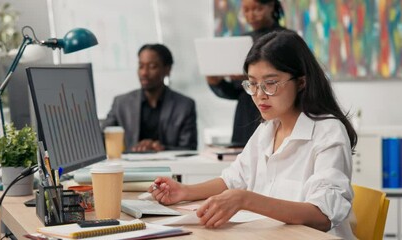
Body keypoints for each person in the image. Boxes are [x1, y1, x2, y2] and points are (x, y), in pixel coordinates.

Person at [149, 30, 358, 239]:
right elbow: (233, 180)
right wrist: (184, 191)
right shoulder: (268, 128)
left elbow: (321, 215)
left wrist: (246, 199)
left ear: (301, 82)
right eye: (253, 84)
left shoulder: (328, 131)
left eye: (270, 84)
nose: (259, 95)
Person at [207, 0, 286, 146]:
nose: (251, 15)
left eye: (257, 9)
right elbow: (236, 92)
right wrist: (217, 83)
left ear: (271, 6)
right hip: (245, 116)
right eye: (246, 10)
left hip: (275, 111)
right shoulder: (241, 40)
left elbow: (286, 78)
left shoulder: (286, 38)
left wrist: (252, 78)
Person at [101, 44, 197, 152]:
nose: (144, 73)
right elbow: (101, 139)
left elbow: (189, 149)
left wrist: (161, 148)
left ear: (167, 70)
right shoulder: (121, 103)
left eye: (152, 67)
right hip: (129, 166)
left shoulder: (184, 105)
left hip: (171, 166)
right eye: (141, 66)